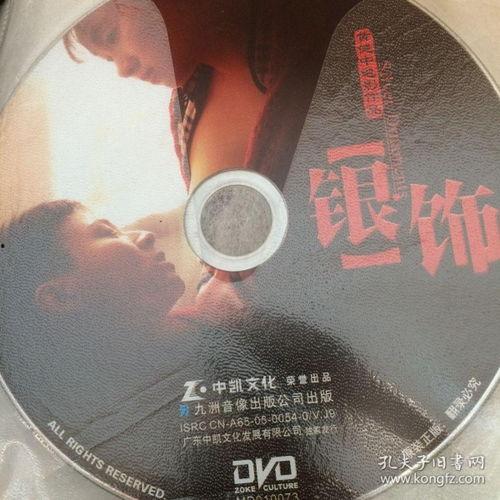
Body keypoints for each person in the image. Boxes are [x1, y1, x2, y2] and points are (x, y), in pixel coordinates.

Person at [0, 199, 448, 498]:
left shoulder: (237, 319)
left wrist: (450, 457)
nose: (144, 235)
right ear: (61, 296)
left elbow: (374, 392)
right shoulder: (81, 436)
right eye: (106, 232)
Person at [64, 0, 363, 191]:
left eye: (112, 36)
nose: (123, 69)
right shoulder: (186, 106)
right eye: (108, 59)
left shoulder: (320, 30)